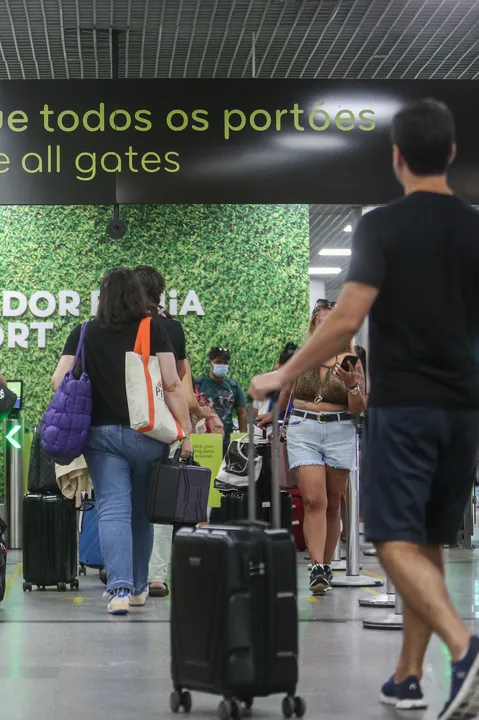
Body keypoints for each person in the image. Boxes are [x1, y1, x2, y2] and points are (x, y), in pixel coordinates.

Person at [250, 98, 479, 719]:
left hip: (406, 408)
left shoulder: (383, 226)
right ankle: (407, 675)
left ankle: (464, 648)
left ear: (397, 157)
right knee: (429, 539)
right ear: (453, 154)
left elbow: (346, 318)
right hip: (464, 411)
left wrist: (282, 373)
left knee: (388, 536)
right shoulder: (473, 225)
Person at [51, 268, 193, 616]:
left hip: (100, 436)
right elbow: (173, 385)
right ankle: (141, 587)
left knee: (112, 509)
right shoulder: (153, 328)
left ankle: (118, 591)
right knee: (143, 513)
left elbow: (59, 379)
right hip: (148, 432)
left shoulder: (85, 331)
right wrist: (186, 431)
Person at [259, 304, 366, 595]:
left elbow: (358, 409)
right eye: (320, 322)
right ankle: (317, 565)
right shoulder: (302, 358)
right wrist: (274, 416)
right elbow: (286, 391)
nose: (325, 327)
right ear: (313, 327)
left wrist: (353, 386)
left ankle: (327, 566)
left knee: (332, 503)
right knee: (314, 499)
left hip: (339, 429)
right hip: (303, 428)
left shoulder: (351, 360)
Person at [134, 266, 206, 599]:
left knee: (119, 503)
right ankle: (155, 576)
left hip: (122, 422)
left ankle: (122, 570)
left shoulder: (117, 325)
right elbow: (179, 383)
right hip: (161, 422)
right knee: (160, 499)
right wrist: (187, 431)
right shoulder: (171, 329)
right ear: (160, 293)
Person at [196, 347, 248, 452]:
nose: (222, 365)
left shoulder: (233, 386)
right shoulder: (199, 384)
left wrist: (243, 439)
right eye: (218, 362)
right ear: (210, 362)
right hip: (203, 441)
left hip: (226, 441)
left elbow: (242, 413)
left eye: (225, 362)